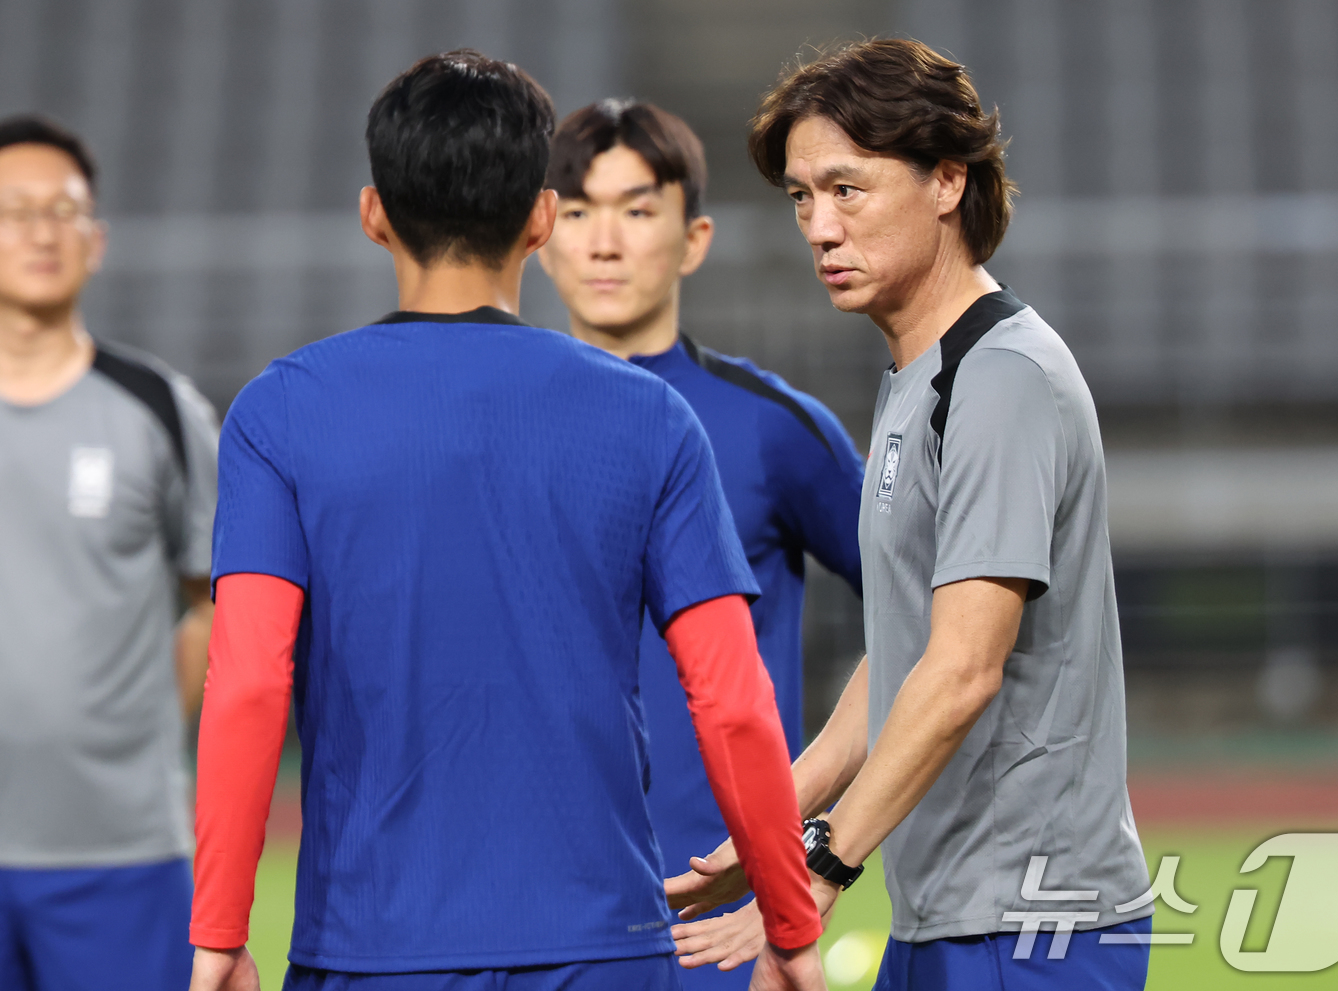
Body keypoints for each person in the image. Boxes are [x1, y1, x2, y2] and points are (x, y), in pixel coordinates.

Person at [186, 51, 827, 991]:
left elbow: (245, 683)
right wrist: (790, 925)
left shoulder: (278, 412)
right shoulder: (650, 417)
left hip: (371, 951)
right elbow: (732, 697)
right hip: (604, 947)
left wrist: (218, 932)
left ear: (374, 214)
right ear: (540, 219)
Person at [667, 39, 1155, 991]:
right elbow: (907, 652)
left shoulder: (1000, 376)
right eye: (803, 196)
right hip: (950, 920)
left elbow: (965, 666)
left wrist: (819, 865)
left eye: (848, 189)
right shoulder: (917, 374)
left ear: (945, 180)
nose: (818, 225)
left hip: (1031, 930)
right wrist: (775, 823)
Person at [538, 99, 864, 989]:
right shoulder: (493, 427)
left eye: (638, 210)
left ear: (694, 238)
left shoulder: (773, 429)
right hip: (536, 923)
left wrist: (822, 804)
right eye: (576, 210)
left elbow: (937, 613)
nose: (605, 241)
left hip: (725, 938)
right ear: (540, 231)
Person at [0, 115, 219, 991]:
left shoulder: (161, 411)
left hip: (120, 854)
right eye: (16, 210)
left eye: (64, 210)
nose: (43, 231)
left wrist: (144, 738)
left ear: (97, 240)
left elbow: (209, 595)